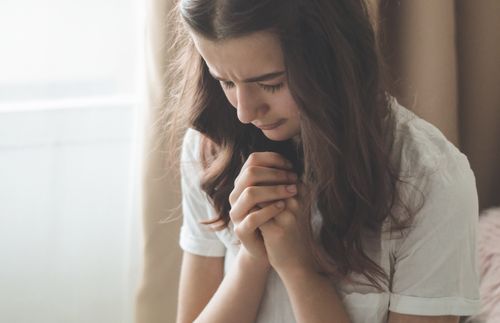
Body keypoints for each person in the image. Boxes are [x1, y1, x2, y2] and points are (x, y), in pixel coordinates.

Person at [164, 0, 481, 322]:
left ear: (333, 61)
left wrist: (299, 270)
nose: (244, 112)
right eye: (226, 82)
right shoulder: (213, 147)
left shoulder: (429, 180)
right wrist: (252, 259)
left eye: (270, 84)